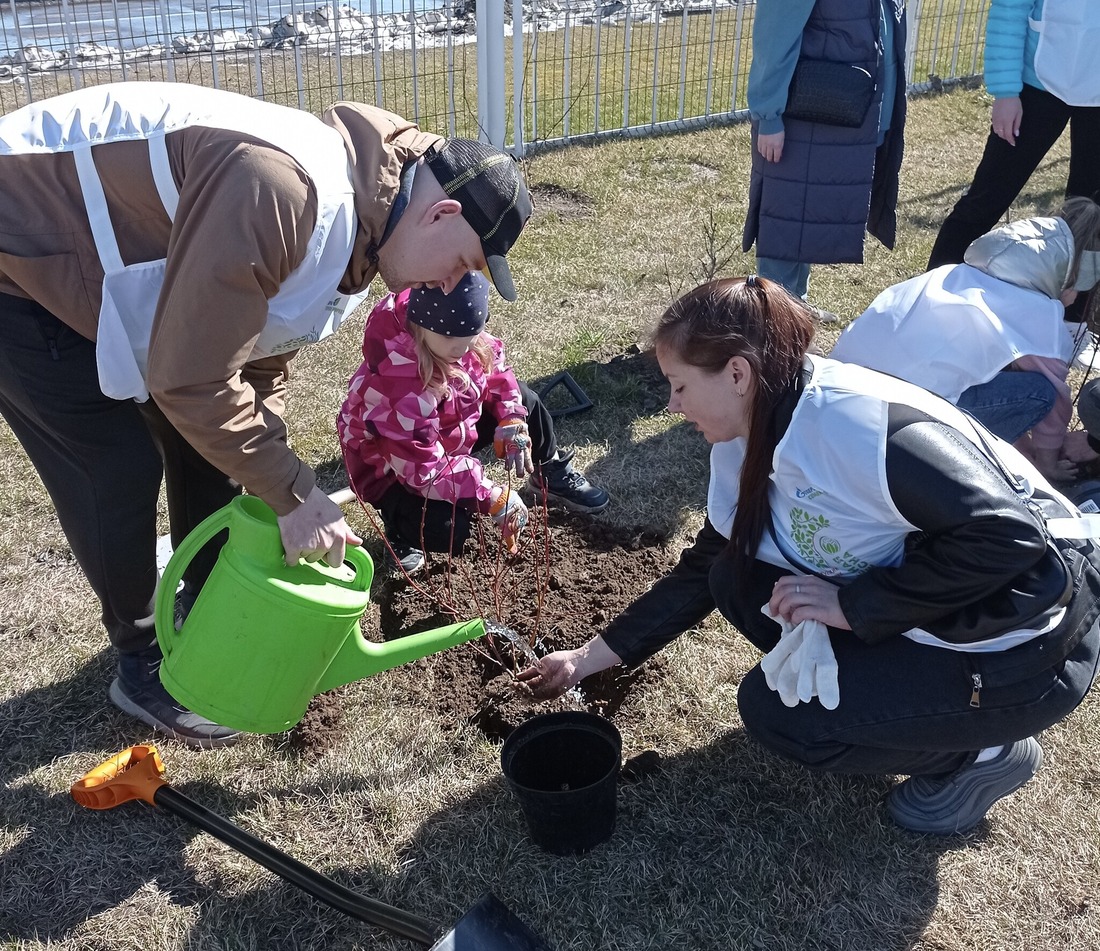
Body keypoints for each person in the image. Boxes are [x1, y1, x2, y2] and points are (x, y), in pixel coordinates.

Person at [0, 81, 532, 746]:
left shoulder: (368, 230)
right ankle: (143, 661)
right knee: (113, 464)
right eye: (462, 265)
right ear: (439, 214)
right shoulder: (284, 192)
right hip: (22, 244)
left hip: (90, 245)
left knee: (215, 449)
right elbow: (192, 378)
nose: (454, 288)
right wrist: (290, 488)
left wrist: (279, 480)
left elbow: (256, 355)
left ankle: (205, 608)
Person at [520, 276, 1100, 836]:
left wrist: (858, 606)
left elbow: (1011, 540)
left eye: (679, 385)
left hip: (1028, 639)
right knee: (734, 577)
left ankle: (981, 751)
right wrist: (589, 659)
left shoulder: (859, 429)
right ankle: (882, 695)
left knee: (781, 719)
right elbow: (709, 565)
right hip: (959, 596)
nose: (672, 405)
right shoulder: (756, 424)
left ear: (738, 373)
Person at [338, 272, 609, 576]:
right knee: (448, 529)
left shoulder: (459, 336)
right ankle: (402, 533)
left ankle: (549, 473)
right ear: (421, 326)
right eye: (453, 339)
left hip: (446, 436)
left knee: (526, 399)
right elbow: (422, 471)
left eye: (471, 336)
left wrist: (512, 419)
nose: (463, 348)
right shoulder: (397, 382)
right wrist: (489, 494)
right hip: (394, 469)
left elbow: (498, 375)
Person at [831, 197, 1100, 483]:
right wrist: (1046, 462)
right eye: (1076, 289)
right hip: (899, 429)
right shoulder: (1037, 314)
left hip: (842, 399)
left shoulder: (955, 274)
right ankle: (961, 466)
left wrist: (1026, 450)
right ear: (1066, 276)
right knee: (1040, 392)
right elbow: (1053, 400)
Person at [741, 0, 907, 304]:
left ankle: (795, 306)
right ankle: (772, 323)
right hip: (804, 117)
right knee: (786, 223)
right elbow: (774, 36)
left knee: (804, 218)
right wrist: (769, 116)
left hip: (848, 113)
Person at [927, 0, 1100, 277]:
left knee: (1091, 213)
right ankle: (931, 290)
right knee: (987, 196)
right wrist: (1006, 91)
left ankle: (1074, 315)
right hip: (1036, 84)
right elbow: (1010, 8)